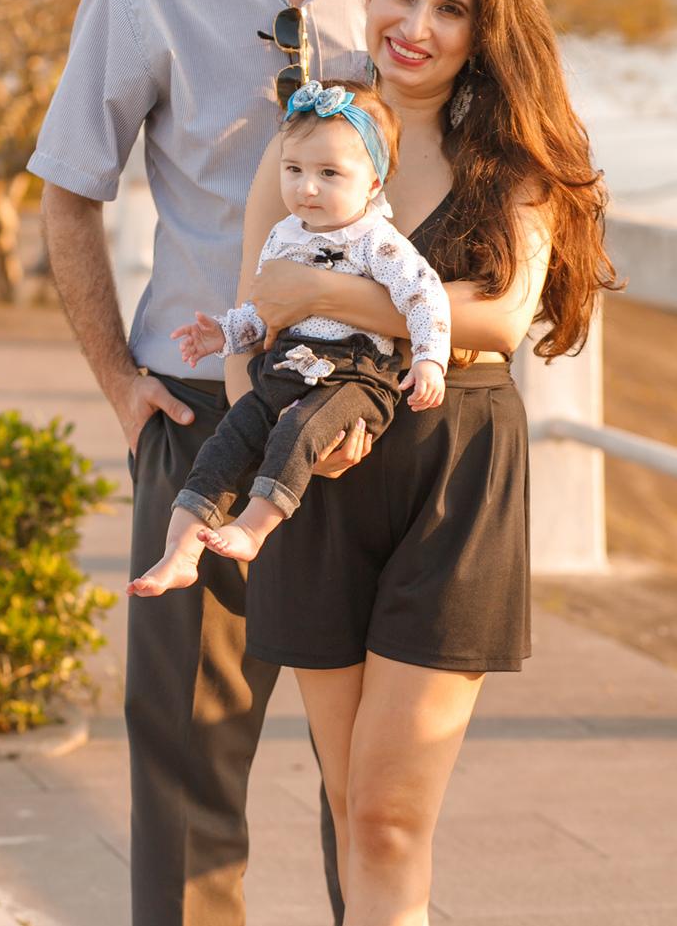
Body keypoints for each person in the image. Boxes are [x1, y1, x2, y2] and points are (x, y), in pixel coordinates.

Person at [33, 0, 474, 926]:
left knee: (374, 771)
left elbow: (504, 136)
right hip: (211, 423)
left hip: (371, 428)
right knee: (192, 741)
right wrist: (119, 384)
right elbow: (70, 191)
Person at [225, 0, 616, 926]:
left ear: (483, 25)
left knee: (390, 819)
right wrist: (260, 399)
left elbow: (501, 315)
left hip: (456, 485)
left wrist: (335, 297)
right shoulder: (324, 132)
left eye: (451, 6)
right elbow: (245, 309)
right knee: (358, 811)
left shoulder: (509, 158)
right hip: (322, 483)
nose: (418, 24)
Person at [127, 80, 449, 594]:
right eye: (294, 170)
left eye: (328, 174)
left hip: (354, 378)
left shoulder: (377, 242)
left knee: (297, 429)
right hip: (287, 364)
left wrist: (430, 359)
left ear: (372, 183)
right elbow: (264, 312)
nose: (307, 188)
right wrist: (225, 334)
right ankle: (178, 551)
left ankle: (253, 530)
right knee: (226, 439)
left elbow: (424, 296)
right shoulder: (285, 235)